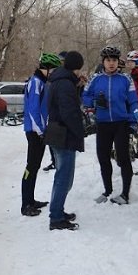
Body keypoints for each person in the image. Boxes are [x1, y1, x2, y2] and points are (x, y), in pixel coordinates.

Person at [82, 46, 138, 205]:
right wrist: (94, 103)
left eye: (114, 60)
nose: (111, 63)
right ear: (103, 62)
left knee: (123, 158)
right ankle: (107, 190)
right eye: (108, 60)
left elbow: (134, 101)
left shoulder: (126, 79)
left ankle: (125, 194)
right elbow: (85, 96)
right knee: (103, 157)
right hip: (103, 124)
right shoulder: (95, 79)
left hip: (121, 124)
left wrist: (133, 121)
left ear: (118, 61)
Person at [47, 51, 85, 231]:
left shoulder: (60, 80)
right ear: (77, 67)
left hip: (57, 133)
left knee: (62, 176)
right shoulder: (65, 84)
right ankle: (56, 218)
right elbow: (68, 112)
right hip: (64, 135)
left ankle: (58, 211)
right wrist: (80, 132)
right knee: (64, 178)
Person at [20, 52, 62, 217]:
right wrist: (40, 131)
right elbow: (33, 109)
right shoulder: (35, 82)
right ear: (46, 68)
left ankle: (31, 200)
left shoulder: (42, 82)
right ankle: (25, 204)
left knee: (35, 166)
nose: (54, 73)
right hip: (34, 131)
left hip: (40, 130)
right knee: (30, 167)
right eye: (53, 70)